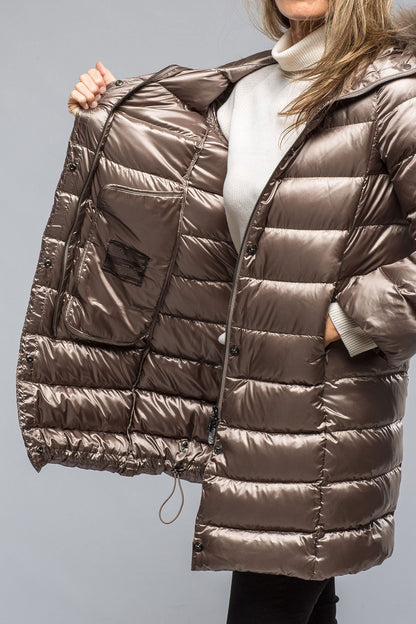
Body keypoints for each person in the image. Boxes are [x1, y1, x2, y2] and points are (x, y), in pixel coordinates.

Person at [61, 1, 415, 622]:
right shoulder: (247, 89)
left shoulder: (394, 91)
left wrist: (351, 322)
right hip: (249, 408)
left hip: (325, 416)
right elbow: (186, 214)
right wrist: (110, 113)